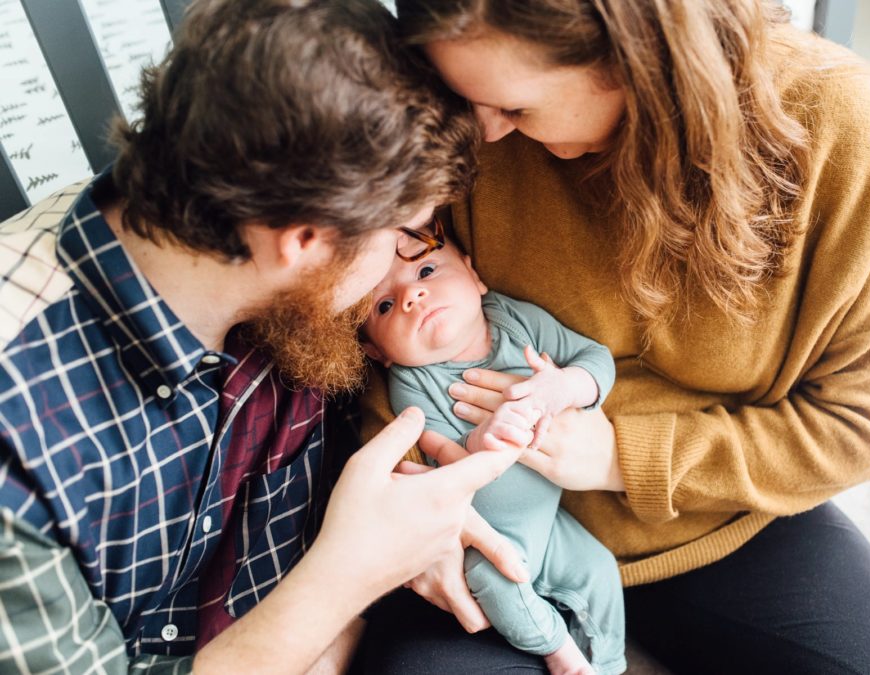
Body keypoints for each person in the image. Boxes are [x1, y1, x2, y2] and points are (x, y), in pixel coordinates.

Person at [355, 0, 870, 673]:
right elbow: (359, 331)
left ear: (632, 57)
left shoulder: (838, 126)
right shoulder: (465, 110)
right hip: (484, 532)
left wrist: (621, 457)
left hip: (720, 525)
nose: (483, 134)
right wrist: (412, 506)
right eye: (466, 100)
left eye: (515, 109)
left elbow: (860, 422)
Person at [0, 1, 528, 673]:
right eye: (401, 236)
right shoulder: (20, 436)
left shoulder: (251, 272)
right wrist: (350, 572)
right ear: (304, 242)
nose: (404, 260)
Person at [360, 230, 625, 675]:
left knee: (599, 570)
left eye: (426, 270)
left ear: (474, 274)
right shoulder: (411, 382)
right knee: (498, 582)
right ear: (377, 351)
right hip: (490, 530)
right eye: (384, 305)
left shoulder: (511, 318)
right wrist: (485, 438)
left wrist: (565, 386)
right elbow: (443, 454)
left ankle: (612, 665)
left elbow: (593, 356)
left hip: (551, 518)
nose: (412, 296)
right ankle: (560, 653)